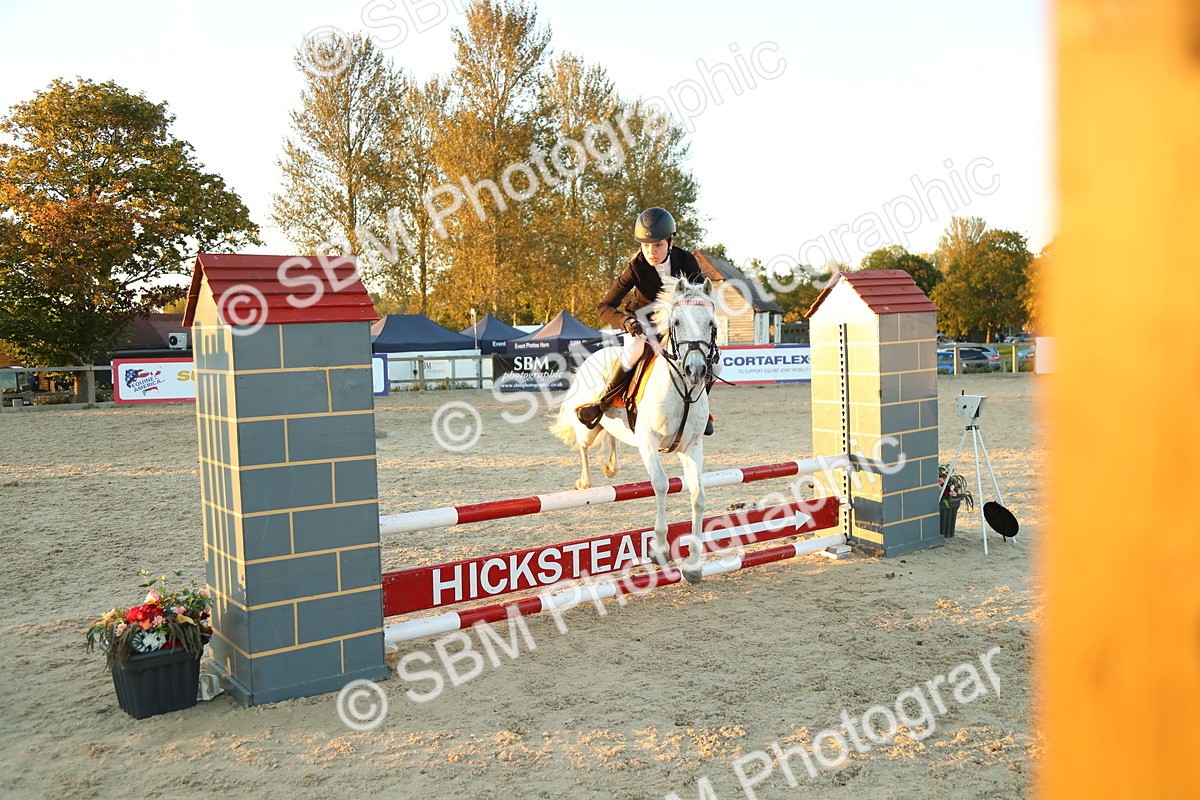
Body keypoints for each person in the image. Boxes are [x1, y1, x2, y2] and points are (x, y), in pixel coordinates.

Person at [576, 207, 714, 435]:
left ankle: (700, 410)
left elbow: (698, 298)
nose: (651, 251)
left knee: (715, 363)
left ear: (670, 242)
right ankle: (603, 403)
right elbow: (604, 307)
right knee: (633, 350)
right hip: (643, 326)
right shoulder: (636, 267)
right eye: (646, 245)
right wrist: (626, 322)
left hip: (677, 327)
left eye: (658, 245)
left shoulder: (687, 261)